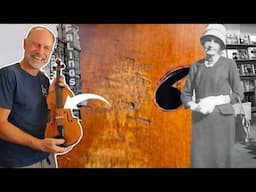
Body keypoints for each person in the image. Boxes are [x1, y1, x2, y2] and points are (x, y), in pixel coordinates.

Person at [0, 25, 72, 168]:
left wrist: (54, 96)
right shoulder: (8, 75)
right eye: (36, 45)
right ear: (25, 44)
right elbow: (0, 124)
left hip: (46, 158)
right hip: (19, 163)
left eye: (46, 48)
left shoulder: (43, 79)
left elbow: (44, 120)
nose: (40, 52)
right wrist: (40, 145)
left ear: (50, 52)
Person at [180, 24, 244, 168]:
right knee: (200, 161)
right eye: (208, 40)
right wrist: (195, 106)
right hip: (201, 122)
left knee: (222, 161)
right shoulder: (196, 66)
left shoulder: (229, 64)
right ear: (203, 42)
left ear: (221, 45)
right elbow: (185, 94)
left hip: (223, 122)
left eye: (216, 41)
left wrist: (215, 100)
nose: (211, 44)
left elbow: (239, 94)